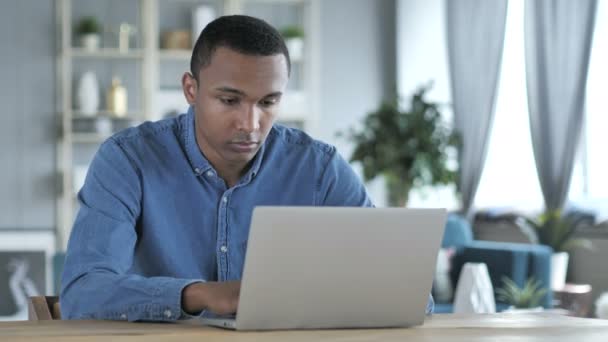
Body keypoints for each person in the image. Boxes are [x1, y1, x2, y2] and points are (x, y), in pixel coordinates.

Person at [60, 15, 433, 321]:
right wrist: (198, 294)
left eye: (268, 102)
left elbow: (411, 296)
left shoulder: (319, 168)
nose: (250, 124)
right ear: (191, 89)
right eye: (229, 100)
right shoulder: (127, 160)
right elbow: (84, 291)